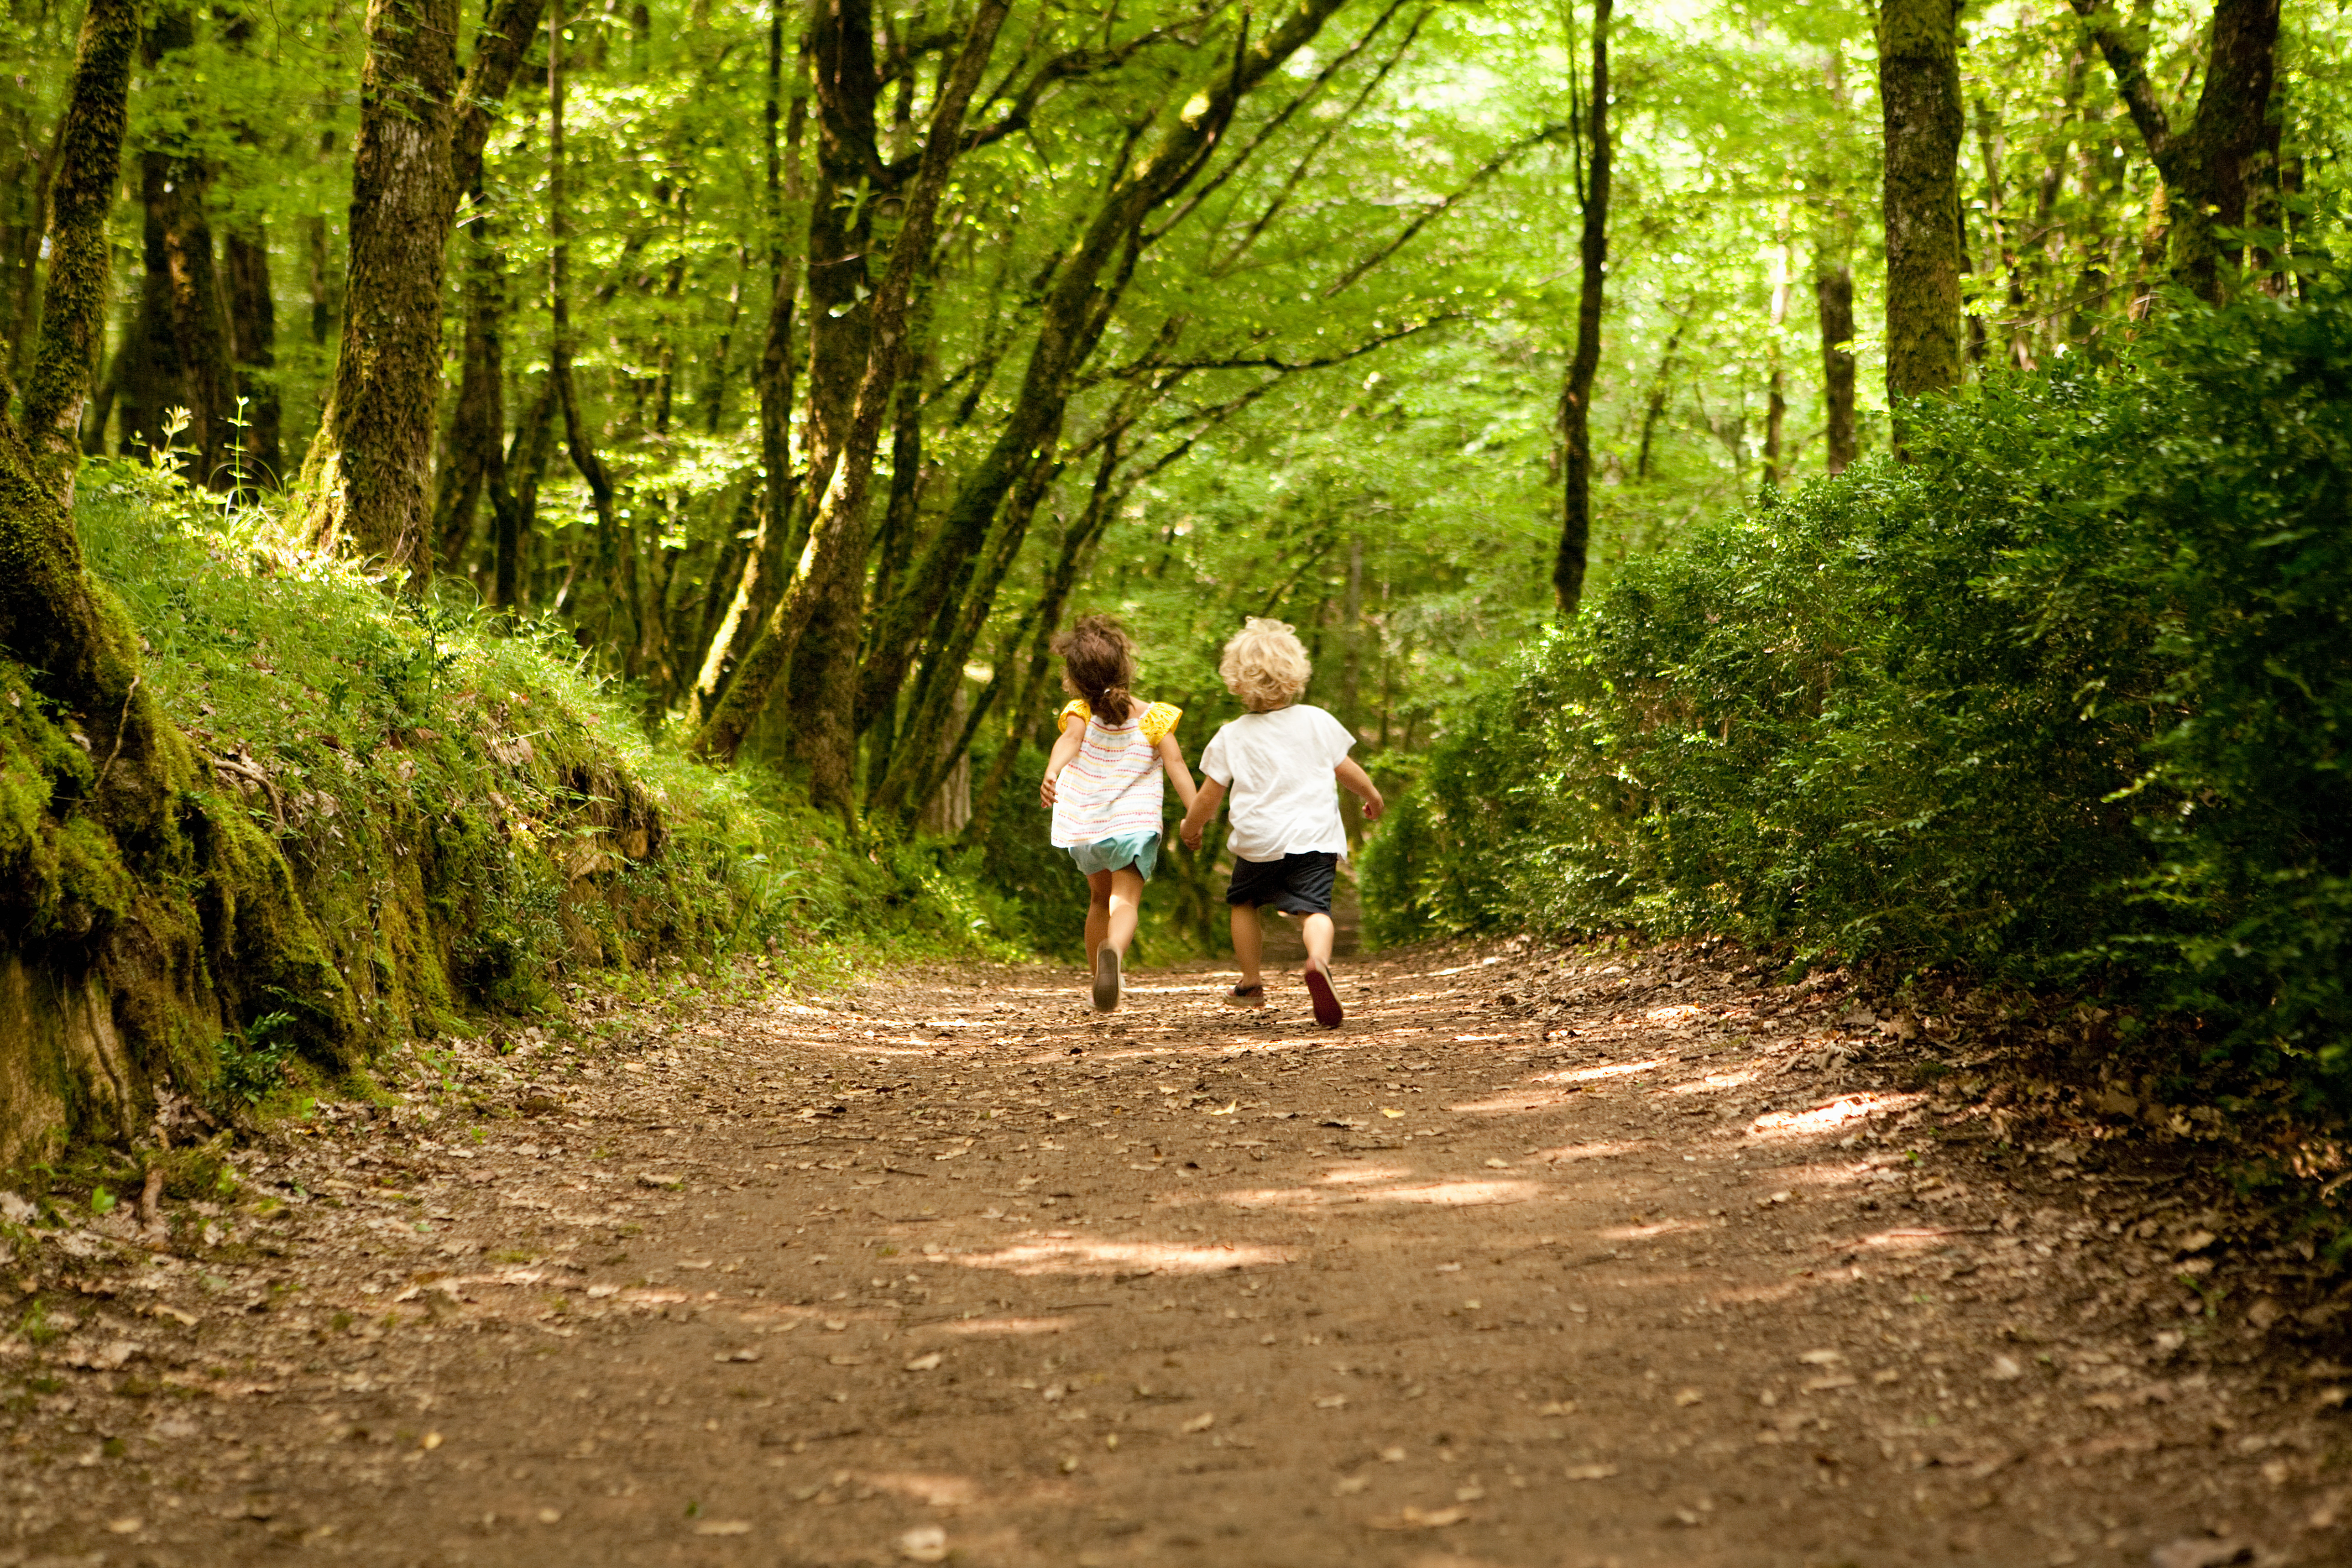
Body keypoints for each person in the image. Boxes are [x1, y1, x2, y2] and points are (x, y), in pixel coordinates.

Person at [1177, 617, 1383, 1027]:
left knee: (1243, 902)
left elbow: (1209, 796)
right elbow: (1347, 770)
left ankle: (1251, 983)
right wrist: (1373, 797)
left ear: (1236, 681)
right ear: (1295, 675)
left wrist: (1190, 827)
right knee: (1315, 909)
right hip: (1315, 839)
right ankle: (1318, 962)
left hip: (1259, 841)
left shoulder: (1231, 735)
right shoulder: (1316, 720)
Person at [1040, 615, 1197, 1012]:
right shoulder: (1155, 717)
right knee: (1124, 902)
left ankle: (1099, 982)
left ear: (1075, 679)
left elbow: (1069, 741)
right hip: (1133, 825)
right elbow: (1178, 767)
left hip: (1087, 823)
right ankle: (1115, 951)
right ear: (1125, 668)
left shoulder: (1078, 713)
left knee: (1098, 899)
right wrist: (1195, 815)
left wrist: (1052, 772)